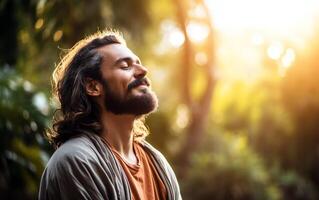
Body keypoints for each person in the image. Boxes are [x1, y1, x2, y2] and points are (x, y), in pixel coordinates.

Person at [38, 30, 181, 200]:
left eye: (139, 63)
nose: (143, 70)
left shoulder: (158, 164)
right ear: (93, 87)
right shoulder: (77, 161)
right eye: (125, 66)